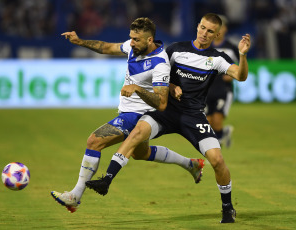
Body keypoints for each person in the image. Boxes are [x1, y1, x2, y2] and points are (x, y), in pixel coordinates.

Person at [86, 13, 251, 224]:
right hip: (166, 112)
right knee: (137, 132)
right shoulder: (175, 50)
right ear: (197, 26)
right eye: (202, 27)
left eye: (210, 31)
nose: (204, 33)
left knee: (217, 160)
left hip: (193, 116)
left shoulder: (217, 58)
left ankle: (227, 208)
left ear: (217, 34)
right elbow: (160, 71)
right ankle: (107, 180)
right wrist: (171, 87)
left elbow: (241, 76)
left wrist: (243, 55)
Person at [51, 17, 205, 213]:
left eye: (136, 39)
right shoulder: (134, 47)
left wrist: (137, 89)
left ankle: (75, 195)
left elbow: (162, 103)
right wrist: (80, 41)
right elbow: (107, 48)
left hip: (139, 115)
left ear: (149, 40)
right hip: (128, 111)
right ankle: (191, 164)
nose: (131, 43)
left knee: (94, 141)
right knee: (142, 153)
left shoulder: (159, 64)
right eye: (130, 38)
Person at [205, 15, 239, 148]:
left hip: (224, 89)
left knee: (217, 120)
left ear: (225, 29)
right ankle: (223, 133)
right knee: (209, 122)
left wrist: (233, 74)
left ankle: (215, 151)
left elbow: (240, 65)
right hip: (207, 89)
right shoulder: (205, 46)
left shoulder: (231, 47)